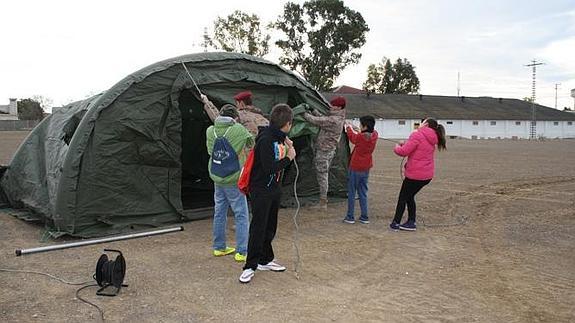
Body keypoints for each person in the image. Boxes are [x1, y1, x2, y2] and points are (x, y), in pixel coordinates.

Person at [239, 104, 296, 284]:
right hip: (261, 190)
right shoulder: (265, 139)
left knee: (270, 226)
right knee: (258, 227)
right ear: (286, 124)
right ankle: (250, 266)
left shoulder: (280, 137)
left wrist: (287, 143)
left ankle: (265, 259)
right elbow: (269, 167)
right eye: (290, 123)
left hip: (274, 190)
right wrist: (289, 158)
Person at [206, 105, 254, 262]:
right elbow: (251, 143)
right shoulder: (238, 129)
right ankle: (242, 251)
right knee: (241, 213)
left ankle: (219, 247)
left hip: (217, 177)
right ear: (235, 117)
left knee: (219, 212)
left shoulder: (210, 131)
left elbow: (209, 151)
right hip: (233, 178)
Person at [390, 118, 447, 231]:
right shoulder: (432, 138)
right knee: (409, 196)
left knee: (403, 197)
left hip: (415, 175)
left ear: (425, 124)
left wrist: (397, 147)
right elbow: (416, 147)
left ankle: (396, 223)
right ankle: (411, 221)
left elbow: (403, 152)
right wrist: (405, 144)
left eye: (422, 121)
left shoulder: (417, 134)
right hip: (426, 176)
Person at [302, 96, 347, 209]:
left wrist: (303, 113)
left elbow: (316, 121)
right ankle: (323, 201)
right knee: (323, 174)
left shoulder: (334, 120)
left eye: (333, 105)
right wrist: (314, 111)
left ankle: (323, 202)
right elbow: (323, 119)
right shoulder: (336, 118)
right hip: (327, 150)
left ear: (339, 107)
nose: (331, 106)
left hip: (324, 151)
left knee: (322, 175)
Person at [343, 116, 378, 224]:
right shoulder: (375, 135)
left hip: (355, 167)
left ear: (365, 126)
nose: (359, 126)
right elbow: (362, 134)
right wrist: (358, 130)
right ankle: (364, 216)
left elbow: (352, 137)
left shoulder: (360, 137)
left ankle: (350, 217)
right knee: (363, 192)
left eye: (360, 124)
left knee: (352, 192)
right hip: (366, 167)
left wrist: (348, 127)